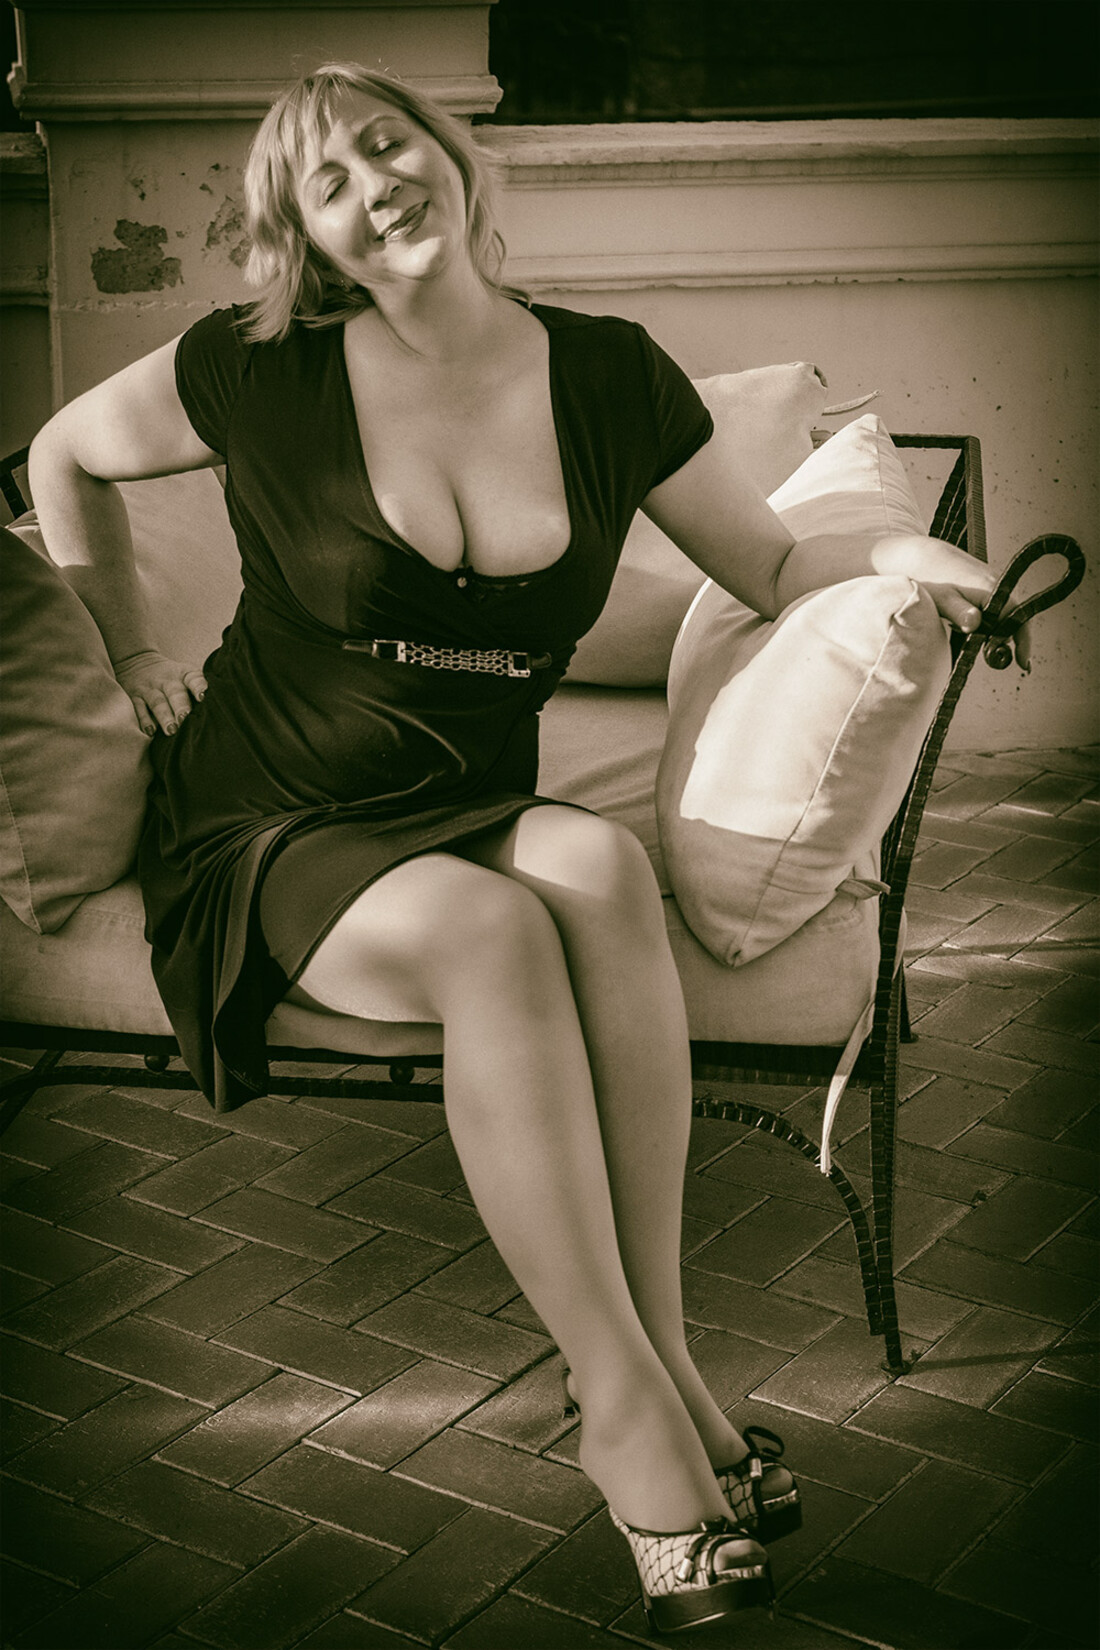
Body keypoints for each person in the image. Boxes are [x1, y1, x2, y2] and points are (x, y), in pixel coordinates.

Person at [27, 63, 1023, 1634]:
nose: (375, 186)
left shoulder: (611, 376)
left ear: (452, 155)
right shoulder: (256, 365)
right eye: (331, 182)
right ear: (309, 237)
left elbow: (769, 563)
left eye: (389, 144)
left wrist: (913, 555)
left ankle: (662, 1358)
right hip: (266, 814)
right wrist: (130, 643)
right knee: (493, 934)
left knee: (598, 869)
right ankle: (627, 1415)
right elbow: (62, 454)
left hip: (460, 797)